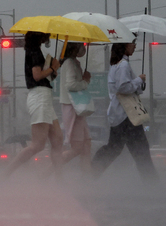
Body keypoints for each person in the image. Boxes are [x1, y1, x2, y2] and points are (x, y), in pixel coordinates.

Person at [91, 40, 158, 180]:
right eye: (133, 43)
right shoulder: (123, 65)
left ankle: (91, 172)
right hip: (126, 116)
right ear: (125, 46)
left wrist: (138, 83)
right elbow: (123, 87)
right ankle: (152, 184)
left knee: (114, 149)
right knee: (141, 151)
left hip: (118, 116)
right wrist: (139, 80)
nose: (135, 46)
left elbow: (127, 87)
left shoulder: (116, 65)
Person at [1, 31, 63, 178]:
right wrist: (53, 68)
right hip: (39, 96)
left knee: (58, 139)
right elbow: (37, 76)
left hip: (44, 97)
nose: (47, 38)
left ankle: (59, 178)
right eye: (45, 35)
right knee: (38, 145)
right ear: (39, 37)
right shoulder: (34, 52)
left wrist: (52, 70)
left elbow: (41, 74)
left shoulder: (35, 51)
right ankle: (6, 173)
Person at [59, 42, 92, 174]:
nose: (83, 48)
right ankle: (48, 171)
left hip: (77, 107)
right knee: (78, 147)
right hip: (73, 107)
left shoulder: (73, 63)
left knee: (86, 145)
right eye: (80, 45)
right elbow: (71, 85)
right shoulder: (70, 64)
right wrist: (85, 81)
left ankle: (86, 178)